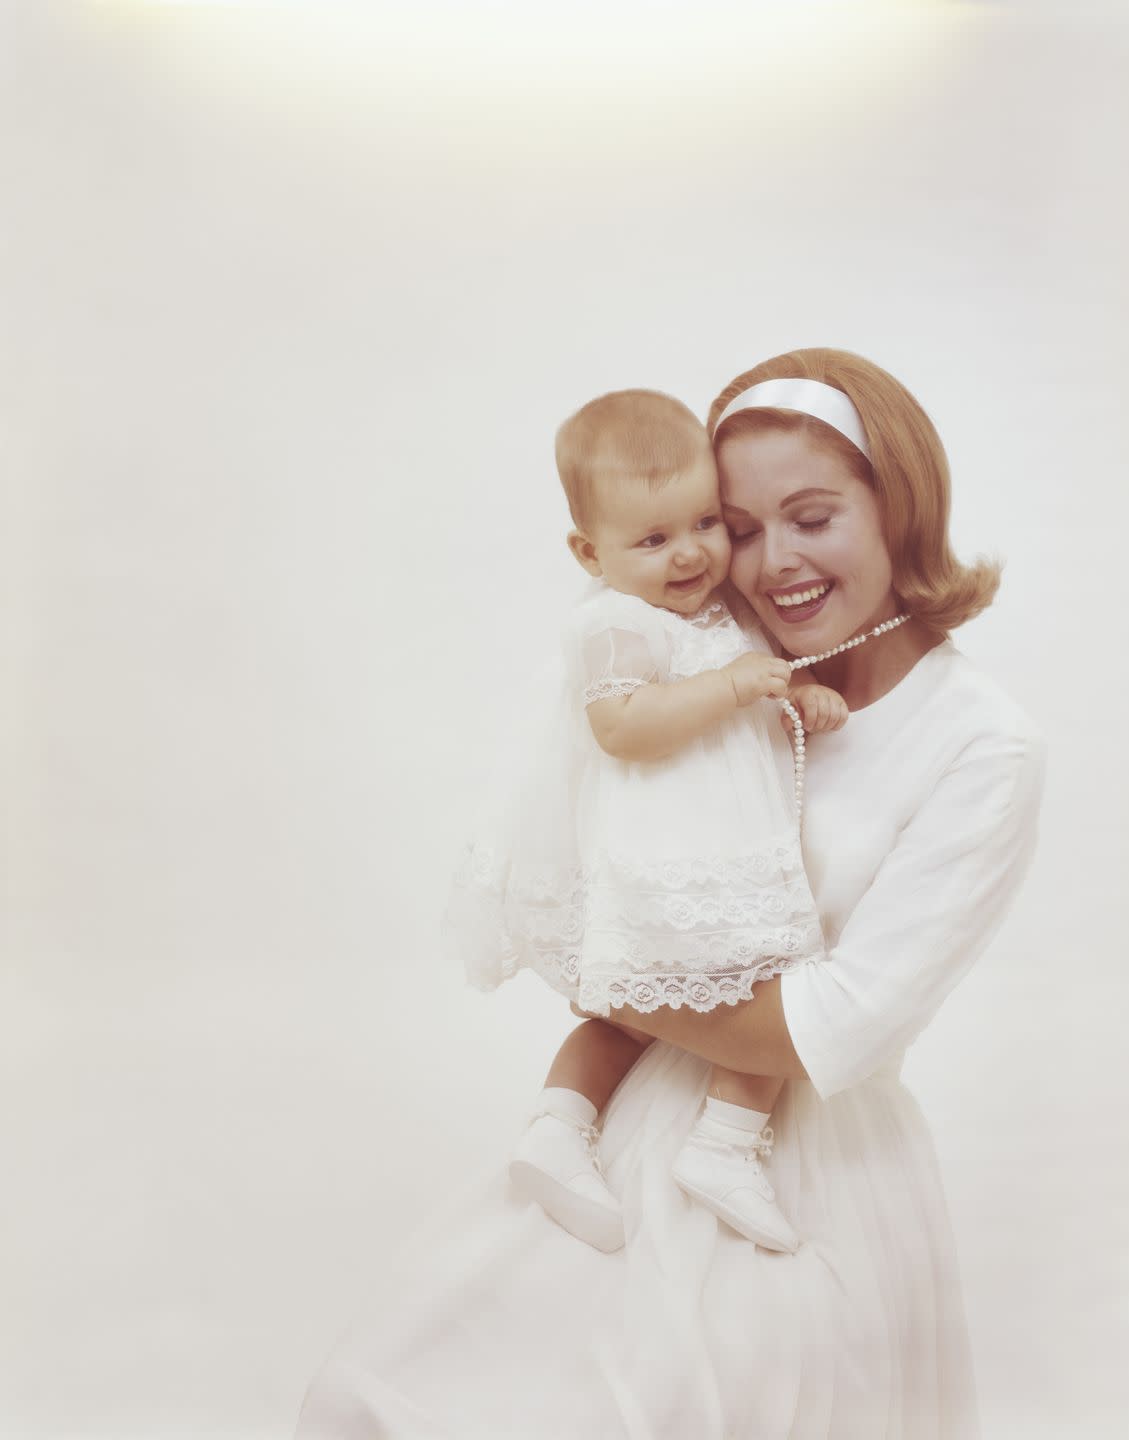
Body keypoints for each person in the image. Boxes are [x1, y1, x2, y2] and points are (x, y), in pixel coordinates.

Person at [296, 348, 1045, 1439]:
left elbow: (832, 1026)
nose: (764, 560)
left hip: (805, 1171)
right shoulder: (716, 658)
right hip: (636, 1130)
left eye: (812, 515)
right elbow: (603, 823)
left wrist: (602, 970)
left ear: (898, 507)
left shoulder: (981, 746)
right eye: (735, 525)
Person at [446, 389, 845, 1256]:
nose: (690, 553)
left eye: (704, 522)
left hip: (729, 850)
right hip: (660, 856)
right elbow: (621, 728)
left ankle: (720, 1144)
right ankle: (562, 1127)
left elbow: (763, 675)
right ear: (589, 551)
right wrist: (727, 688)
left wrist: (798, 694)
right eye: (652, 539)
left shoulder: (721, 612)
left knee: (758, 990)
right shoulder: (612, 622)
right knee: (669, 1008)